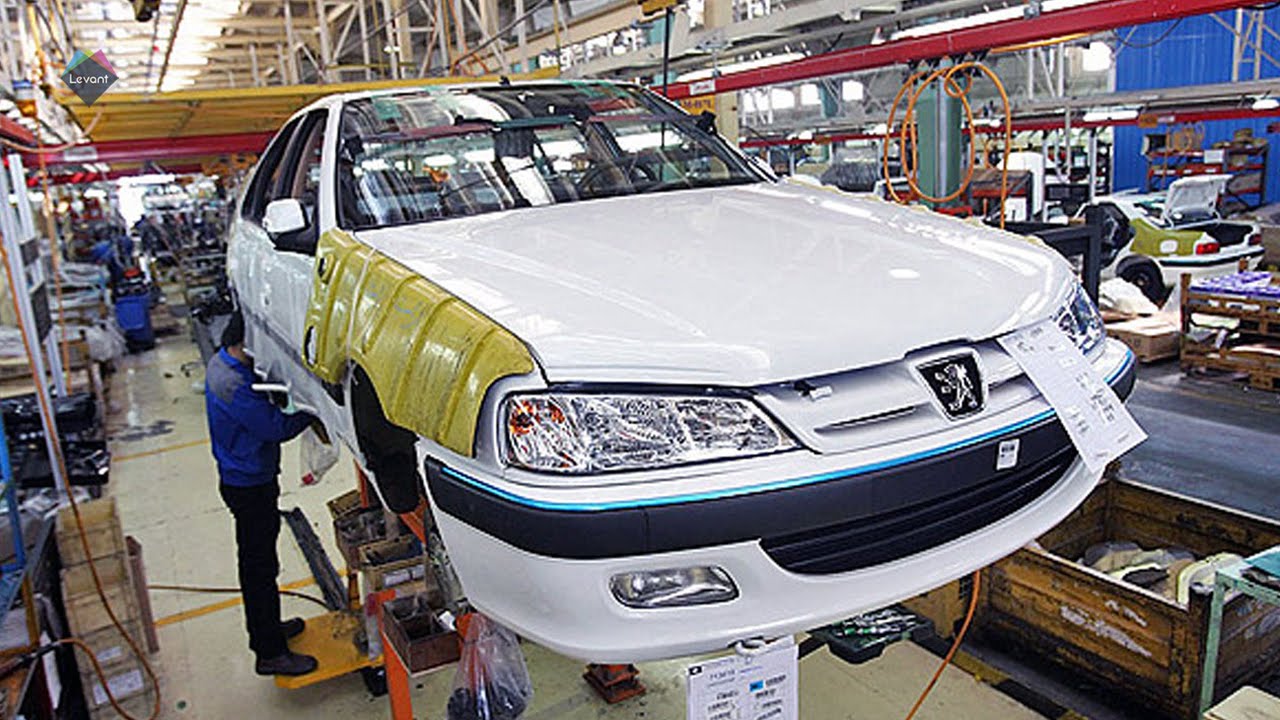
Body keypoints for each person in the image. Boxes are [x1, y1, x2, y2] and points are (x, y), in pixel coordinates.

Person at [204, 312, 319, 676]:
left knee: (260, 564)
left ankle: (268, 631)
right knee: (259, 569)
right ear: (247, 342)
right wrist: (315, 407)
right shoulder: (233, 385)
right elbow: (276, 428)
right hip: (248, 485)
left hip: (245, 477)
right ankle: (269, 652)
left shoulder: (224, 363)